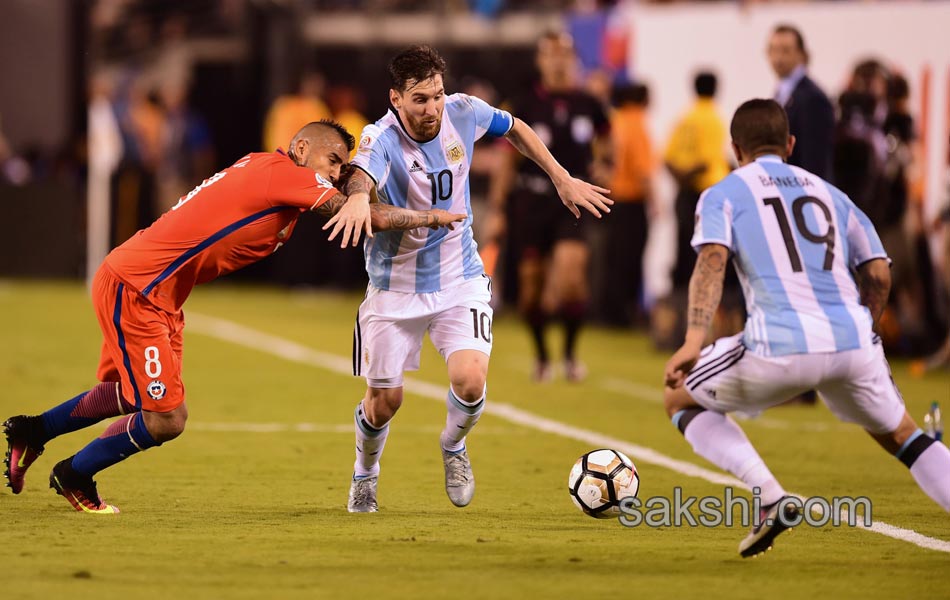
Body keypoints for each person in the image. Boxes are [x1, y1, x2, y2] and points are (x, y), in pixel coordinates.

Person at [2, 120, 465, 513]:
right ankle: (74, 475)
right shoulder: (283, 171)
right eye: (333, 161)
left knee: (128, 394)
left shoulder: (276, 177)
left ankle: (33, 430)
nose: (338, 174)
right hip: (137, 287)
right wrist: (430, 217)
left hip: (158, 292)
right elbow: (363, 214)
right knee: (167, 417)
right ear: (302, 148)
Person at [663, 99, 950, 558]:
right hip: (853, 341)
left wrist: (694, 340)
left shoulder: (723, 193)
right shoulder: (831, 194)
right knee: (904, 436)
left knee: (679, 397)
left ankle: (771, 497)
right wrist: (866, 330)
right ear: (791, 144)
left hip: (779, 344)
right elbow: (877, 272)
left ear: (734, 148)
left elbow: (711, 263)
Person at [334, 44, 611, 513]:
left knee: (469, 381)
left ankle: (454, 446)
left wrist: (562, 178)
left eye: (437, 95)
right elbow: (360, 173)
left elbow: (516, 128)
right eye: (420, 99)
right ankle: (365, 473)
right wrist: (359, 197)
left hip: (459, 276)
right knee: (384, 403)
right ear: (396, 98)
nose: (433, 108)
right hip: (394, 286)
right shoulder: (378, 137)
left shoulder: (464, 111)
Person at [488, 30, 611, 382]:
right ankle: (542, 356)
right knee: (531, 289)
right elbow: (507, 162)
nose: (558, 60)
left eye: (564, 54)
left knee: (572, 278)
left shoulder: (589, 103)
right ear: (541, 60)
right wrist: (498, 208)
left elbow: (606, 142)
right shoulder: (524, 103)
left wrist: (605, 165)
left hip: (570, 201)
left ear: (573, 60)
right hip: (532, 200)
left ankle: (570, 355)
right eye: (551, 54)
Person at [664, 71, 730, 294]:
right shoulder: (713, 119)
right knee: (706, 250)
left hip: (684, 192)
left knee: (682, 248)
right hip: (706, 193)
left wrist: (680, 179)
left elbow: (668, 157)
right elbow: (707, 161)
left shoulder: (684, 118)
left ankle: (679, 298)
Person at [603, 82, 654, 327]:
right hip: (632, 201)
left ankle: (610, 311)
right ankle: (626, 315)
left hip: (613, 199)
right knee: (631, 260)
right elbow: (643, 169)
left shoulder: (616, 121)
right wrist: (655, 201)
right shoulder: (637, 124)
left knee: (615, 259)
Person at [767, 24, 835, 180]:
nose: (778, 58)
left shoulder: (813, 98)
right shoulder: (782, 92)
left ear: (801, 54)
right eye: (773, 50)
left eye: (785, 50)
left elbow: (815, 162)